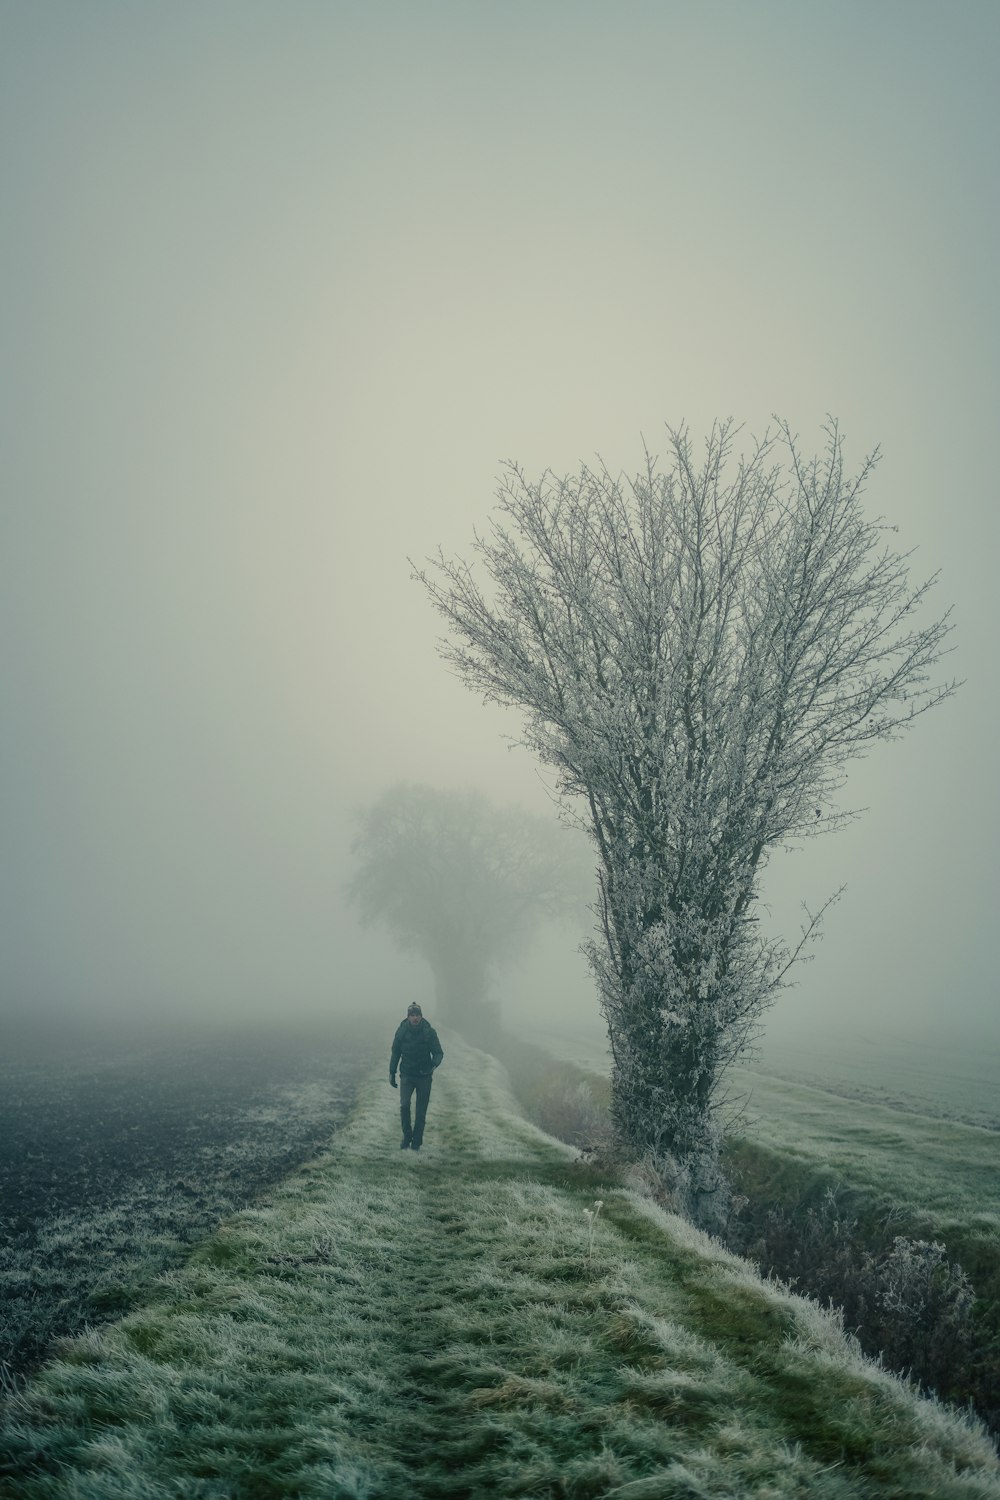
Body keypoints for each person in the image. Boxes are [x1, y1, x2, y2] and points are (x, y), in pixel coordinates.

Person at [389, 1002, 444, 1151]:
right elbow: (395, 1052)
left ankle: (416, 1143)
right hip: (406, 1074)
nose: (415, 1018)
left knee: (421, 1111)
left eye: (417, 1015)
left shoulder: (429, 1032)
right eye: (412, 1015)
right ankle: (407, 1137)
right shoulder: (401, 1032)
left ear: (421, 1016)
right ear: (407, 1017)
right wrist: (392, 1073)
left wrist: (433, 1065)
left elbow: (438, 1053)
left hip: (424, 1077)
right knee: (404, 1105)